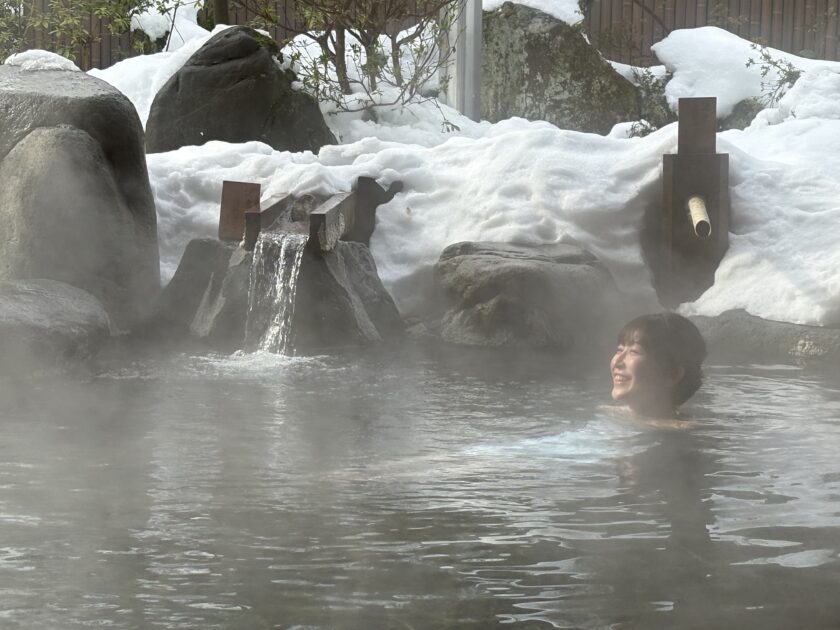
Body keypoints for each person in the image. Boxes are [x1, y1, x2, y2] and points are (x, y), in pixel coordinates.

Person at [609, 313, 706, 419]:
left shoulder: (686, 430)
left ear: (672, 375)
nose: (617, 362)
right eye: (619, 350)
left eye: (634, 352)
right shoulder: (609, 414)